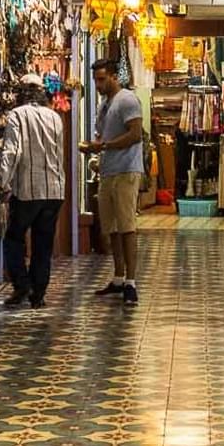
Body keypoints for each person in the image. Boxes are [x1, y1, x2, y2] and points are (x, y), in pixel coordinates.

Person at [0, 72, 66, 310]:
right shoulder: (55, 117)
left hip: (28, 189)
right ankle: (39, 293)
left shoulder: (17, 115)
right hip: (54, 191)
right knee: (43, 244)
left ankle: (21, 284)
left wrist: (1, 182)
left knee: (14, 238)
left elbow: (11, 152)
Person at [80, 59, 144, 305]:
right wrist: (95, 150)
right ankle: (118, 277)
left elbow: (135, 134)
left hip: (126, 171)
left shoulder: (127, 100)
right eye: (96, 80)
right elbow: (102, 135)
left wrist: (104, 146)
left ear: (114, 76)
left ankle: (131, 282)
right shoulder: (104, 105)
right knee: (112, 229)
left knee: (127, 227)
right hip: (108, 171)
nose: (98, 84)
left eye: (102, 79)